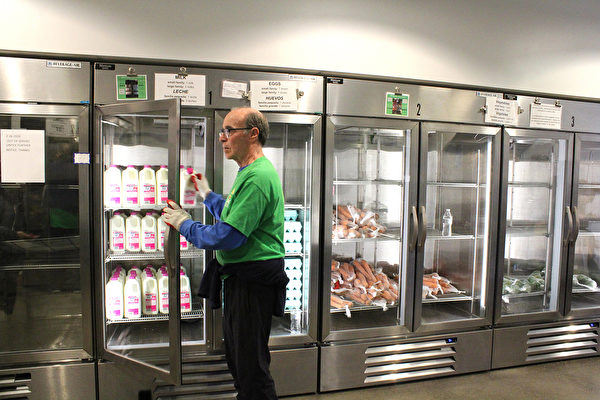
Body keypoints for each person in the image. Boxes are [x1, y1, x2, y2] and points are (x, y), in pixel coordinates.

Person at [162, 107, 288, 400]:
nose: (222, 137)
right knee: (240, 360)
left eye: (229, 130)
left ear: (253, 134)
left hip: (252, 283)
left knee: (251, 368)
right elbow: (233, 214)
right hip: (242, 280)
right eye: (223, 131)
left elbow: (226, 236)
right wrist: (207, 194)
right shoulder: (248, 172)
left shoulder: (257, 176)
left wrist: (184, 224)